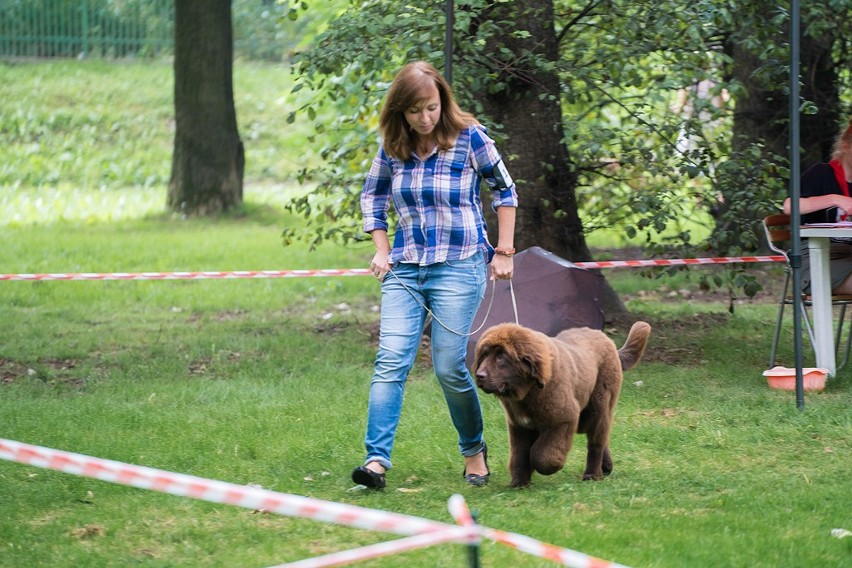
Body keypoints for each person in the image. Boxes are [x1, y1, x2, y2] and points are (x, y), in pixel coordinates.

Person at [351, 61, 518, 490]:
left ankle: (474, 452)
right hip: (406, 268)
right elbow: (373, 196)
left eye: (431, 107)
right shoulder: (393, 146)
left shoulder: (470, 139)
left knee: (448, 366)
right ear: (400, 112)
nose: (424, 118)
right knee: (390, 361)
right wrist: (382, 251)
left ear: (442, 101)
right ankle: (375, 462)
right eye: (414, 111)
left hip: (459, 265)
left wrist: (503, 250)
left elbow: (505, 190)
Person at [783, 118, 852, 294]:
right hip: (817, 257)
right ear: (845, 146)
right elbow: (789, 207)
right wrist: (835, 199)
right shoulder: (821, 174)